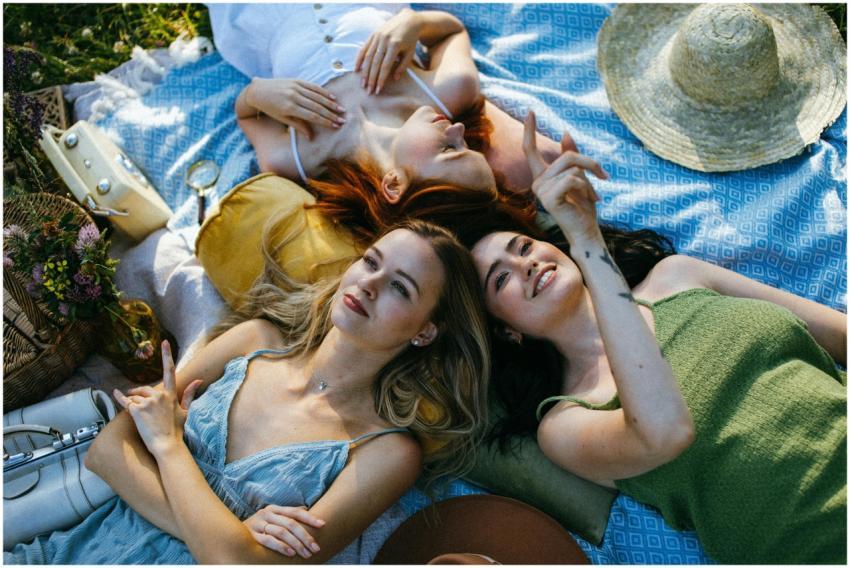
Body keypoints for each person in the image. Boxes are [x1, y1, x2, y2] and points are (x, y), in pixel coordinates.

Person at [469, 113, 847, 564]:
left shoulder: (676, 276)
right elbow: (665, 432)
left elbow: (840, 337)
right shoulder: (564, 423)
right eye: (500, 280)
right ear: (507, 332)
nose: (524, 265)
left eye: (524, 247)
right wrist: (588, 241)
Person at [5, 219, 490, 565]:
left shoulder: (388, 451)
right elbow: (109, 451)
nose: (369, 284)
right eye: (371, 262)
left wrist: (169, 447)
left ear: (425, 332)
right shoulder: (256, 342)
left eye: (400, 287)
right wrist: (232, 538)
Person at [210, 4, 565, 240]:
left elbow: (246, 115)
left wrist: (257, 94)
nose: (459, 129)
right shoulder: (449, 91)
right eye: (468, 145)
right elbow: (452, 32)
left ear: (393, 184)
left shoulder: (298, 157)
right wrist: (413, 23)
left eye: (449, 149)